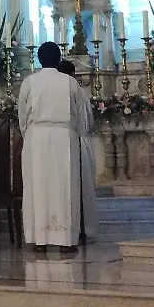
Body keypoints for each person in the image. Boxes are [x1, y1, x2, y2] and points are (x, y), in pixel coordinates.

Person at [17, 46, 83, 250]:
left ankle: (39, 238)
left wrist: (28, 133)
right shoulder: (70, 82)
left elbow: (22, 113)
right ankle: (66, 239)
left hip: (36, 137)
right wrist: (75, 133)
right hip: (64, 136)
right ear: (59, 59)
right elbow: (80, 113)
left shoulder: (29, 82)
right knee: (65, 185)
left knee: (37, 185)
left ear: (38, 59)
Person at [57, 60, 98, 242]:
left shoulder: (55, 91)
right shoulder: (79, 91)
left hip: (66, 141)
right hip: (79, 140)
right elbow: (86, 119)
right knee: (81, 186)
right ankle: (82, 227)